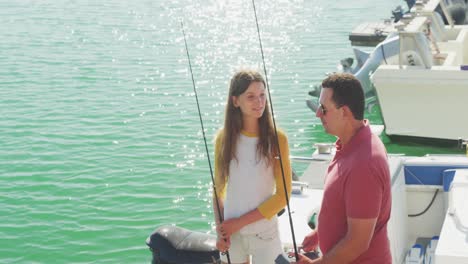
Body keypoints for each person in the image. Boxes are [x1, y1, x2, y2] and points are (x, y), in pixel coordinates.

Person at [294, 73, 392, 263]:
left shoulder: (365, 164)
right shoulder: (349, 144)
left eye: (323, 108)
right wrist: (319, 233)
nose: (317, 113)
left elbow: (357, 242)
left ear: (344, 112)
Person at [213, 69, 292, 264]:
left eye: (262, 95)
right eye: (251, 97)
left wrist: (236, 224)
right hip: (232, 237)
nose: (259, 102)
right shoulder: (223, 138)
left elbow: (283, 196)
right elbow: (218, 189)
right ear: (235, 101)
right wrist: (221, 230)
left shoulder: (277, 139)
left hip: (264, 235)